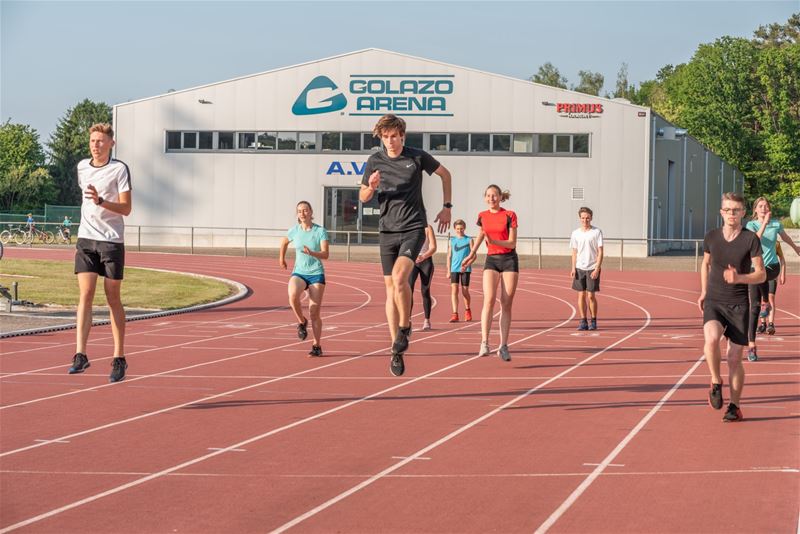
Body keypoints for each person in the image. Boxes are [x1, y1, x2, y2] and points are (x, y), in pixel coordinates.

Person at [359, 114, 452, 377]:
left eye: (394, 136)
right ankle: (396, 350)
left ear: (402, 136)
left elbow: (446, 175)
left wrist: (447, 208)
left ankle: (405, 324)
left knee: (400, 278)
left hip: (413, 228)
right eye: (385, 137)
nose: (390, 141)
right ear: (381, 137)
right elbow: (364, 196)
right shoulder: (374, 161)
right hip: (386, 230)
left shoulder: (417, 157)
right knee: (390, 291)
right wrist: (371, 186)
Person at [68, 123, 132, 383]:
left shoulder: (119, 169)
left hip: (111, 241)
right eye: (93, 140)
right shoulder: (82, 167)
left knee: (112, 296)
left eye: (101, 141)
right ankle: (80, 354)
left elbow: (127, 209)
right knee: (85, 293)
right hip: (86, 238)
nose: (96, 145)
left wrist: (102, 202)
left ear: (111, 144)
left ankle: (119, 357)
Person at [698, 192, 765, 422]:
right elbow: (705, 264)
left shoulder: (750, 240)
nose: (731, 214)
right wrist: (704, 292)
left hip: (739, 305)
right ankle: (716, 381)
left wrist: (739, 278)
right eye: (727, 210)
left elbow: (761, 274)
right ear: (721, 212)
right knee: (711, 339)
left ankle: (734, 406)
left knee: (734, 359)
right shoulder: (711, 237)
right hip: (715, 301)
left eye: (736, 210)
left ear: (744, 213)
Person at [461, 185, 518, 361]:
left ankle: (503, 345)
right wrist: (472, 253)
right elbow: (481, 234)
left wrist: (494, 241)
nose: (491, 198)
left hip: (509, 260)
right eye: (488, 196)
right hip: (491, 260)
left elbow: (512, 243)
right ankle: (484, 342)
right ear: (485, 198)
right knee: (489, 299)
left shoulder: (510, 215)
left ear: (500, 197)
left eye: (494, 195)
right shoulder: (482, 216)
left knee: (506, 303)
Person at [745, 197, 800, 360]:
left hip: (771, 266)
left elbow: (785, 238)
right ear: (755, 210)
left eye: (766, 206)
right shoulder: (751, 225)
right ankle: (752, 346)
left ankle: (766, 302)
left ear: (769, 209)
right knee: (754, 308)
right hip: (754, 267)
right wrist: (764, 223)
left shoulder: (776, 224)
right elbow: (755, 240)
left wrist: (796, 248)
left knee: (763, 276)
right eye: (760, 206)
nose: (763, 208)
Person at [279, 201, 329, 357]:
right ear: (297, 214)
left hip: (316, 273)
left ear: (311, 212)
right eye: (299, 211)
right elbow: (284, 241)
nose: (302, 213)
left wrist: (312, 253)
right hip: (299, 272)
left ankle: (317, 345)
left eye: (305, 210)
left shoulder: (320, 231)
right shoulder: (294, 230)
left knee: (314, 312)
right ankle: (301, 321)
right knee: (292, 294)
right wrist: (281, 258)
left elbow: (326, 254)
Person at [570, 207, 604, 331]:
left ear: (591, 218)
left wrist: (597, 268)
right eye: (583, 218)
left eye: (587, 218)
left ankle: (593, 320)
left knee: (591, 296)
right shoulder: (575, 233)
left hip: (592, 268)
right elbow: (574, 252)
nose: (585, 220)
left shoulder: (597, 232)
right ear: (580, 218)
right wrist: (573, 267)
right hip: (579, 268)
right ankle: (583, 320)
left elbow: (600, 252)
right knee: (581, 295)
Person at [409, 224, 437, 331]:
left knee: (425, 290)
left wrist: (423, 256)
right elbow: (404, 247)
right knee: (408, 289)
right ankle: (408, 320)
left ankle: (427, 320)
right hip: (412, 262)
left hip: (425, 261)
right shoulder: (408, 227)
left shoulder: (428, 228)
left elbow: (433, 247)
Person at [446, 219, 474, 323]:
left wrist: (467, 265)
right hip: (454, 269)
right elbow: (449, 256)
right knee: (454, 290)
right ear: (454, 229)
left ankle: (467, 310)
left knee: (465, 291)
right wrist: (448, 270)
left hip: (465, 269)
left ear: (464, 228)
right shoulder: (452, 241)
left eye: (461, 229)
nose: (459, 230)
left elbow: (473, 255)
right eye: (457, 229)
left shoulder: (469, 240)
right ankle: (455, 314)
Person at [758, 242, 786, 336]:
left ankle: (771, 324)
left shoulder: (776, 243)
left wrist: (782, 274)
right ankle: (762, 324)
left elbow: (782, 259)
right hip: (760, 274)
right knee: (761, 299)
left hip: (771, 275)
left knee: (770, 298)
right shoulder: (757, 241)